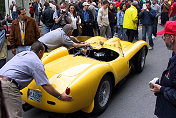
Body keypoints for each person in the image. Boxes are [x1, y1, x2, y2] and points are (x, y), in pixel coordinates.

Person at [0, 41, 72, 118]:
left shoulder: (22, 54)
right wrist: (60, 96)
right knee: (14, 115)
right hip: (8, 86)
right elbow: (45, 85)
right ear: (40, 52)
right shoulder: (36, 62)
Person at [150, 21, 176, 118]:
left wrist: (161, 89)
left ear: (172, 38)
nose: (164, 40)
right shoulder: (173, 55)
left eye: (164, 37)